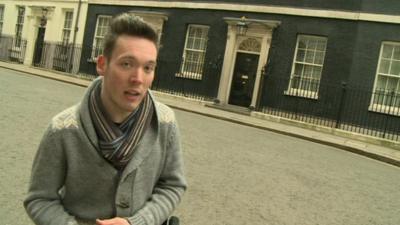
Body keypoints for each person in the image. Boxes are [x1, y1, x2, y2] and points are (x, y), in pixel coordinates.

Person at [24, 12, 187, 225]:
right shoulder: (62, 129)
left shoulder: (165, 122)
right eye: (127, 64)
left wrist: (137, 222)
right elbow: (39, 199)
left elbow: (172, 185)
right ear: (102, 64)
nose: (138, 78)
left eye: (148, 68)